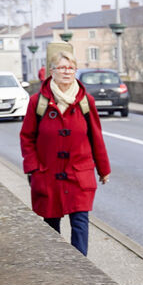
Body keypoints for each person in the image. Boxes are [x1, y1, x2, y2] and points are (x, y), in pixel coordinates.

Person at [19, 42, 111, 255]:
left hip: (79, 174)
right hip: (47, 174)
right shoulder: (37, 102)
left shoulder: (86, 101)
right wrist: (33, 168)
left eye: (71, 68)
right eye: (62, 68)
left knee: (80, 222)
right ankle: (56, 265)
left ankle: (80, 266)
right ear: (52, 71)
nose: (67, 72)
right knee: (51, 224)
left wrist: (103, 169)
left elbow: (96, 137)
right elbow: (27, 137)